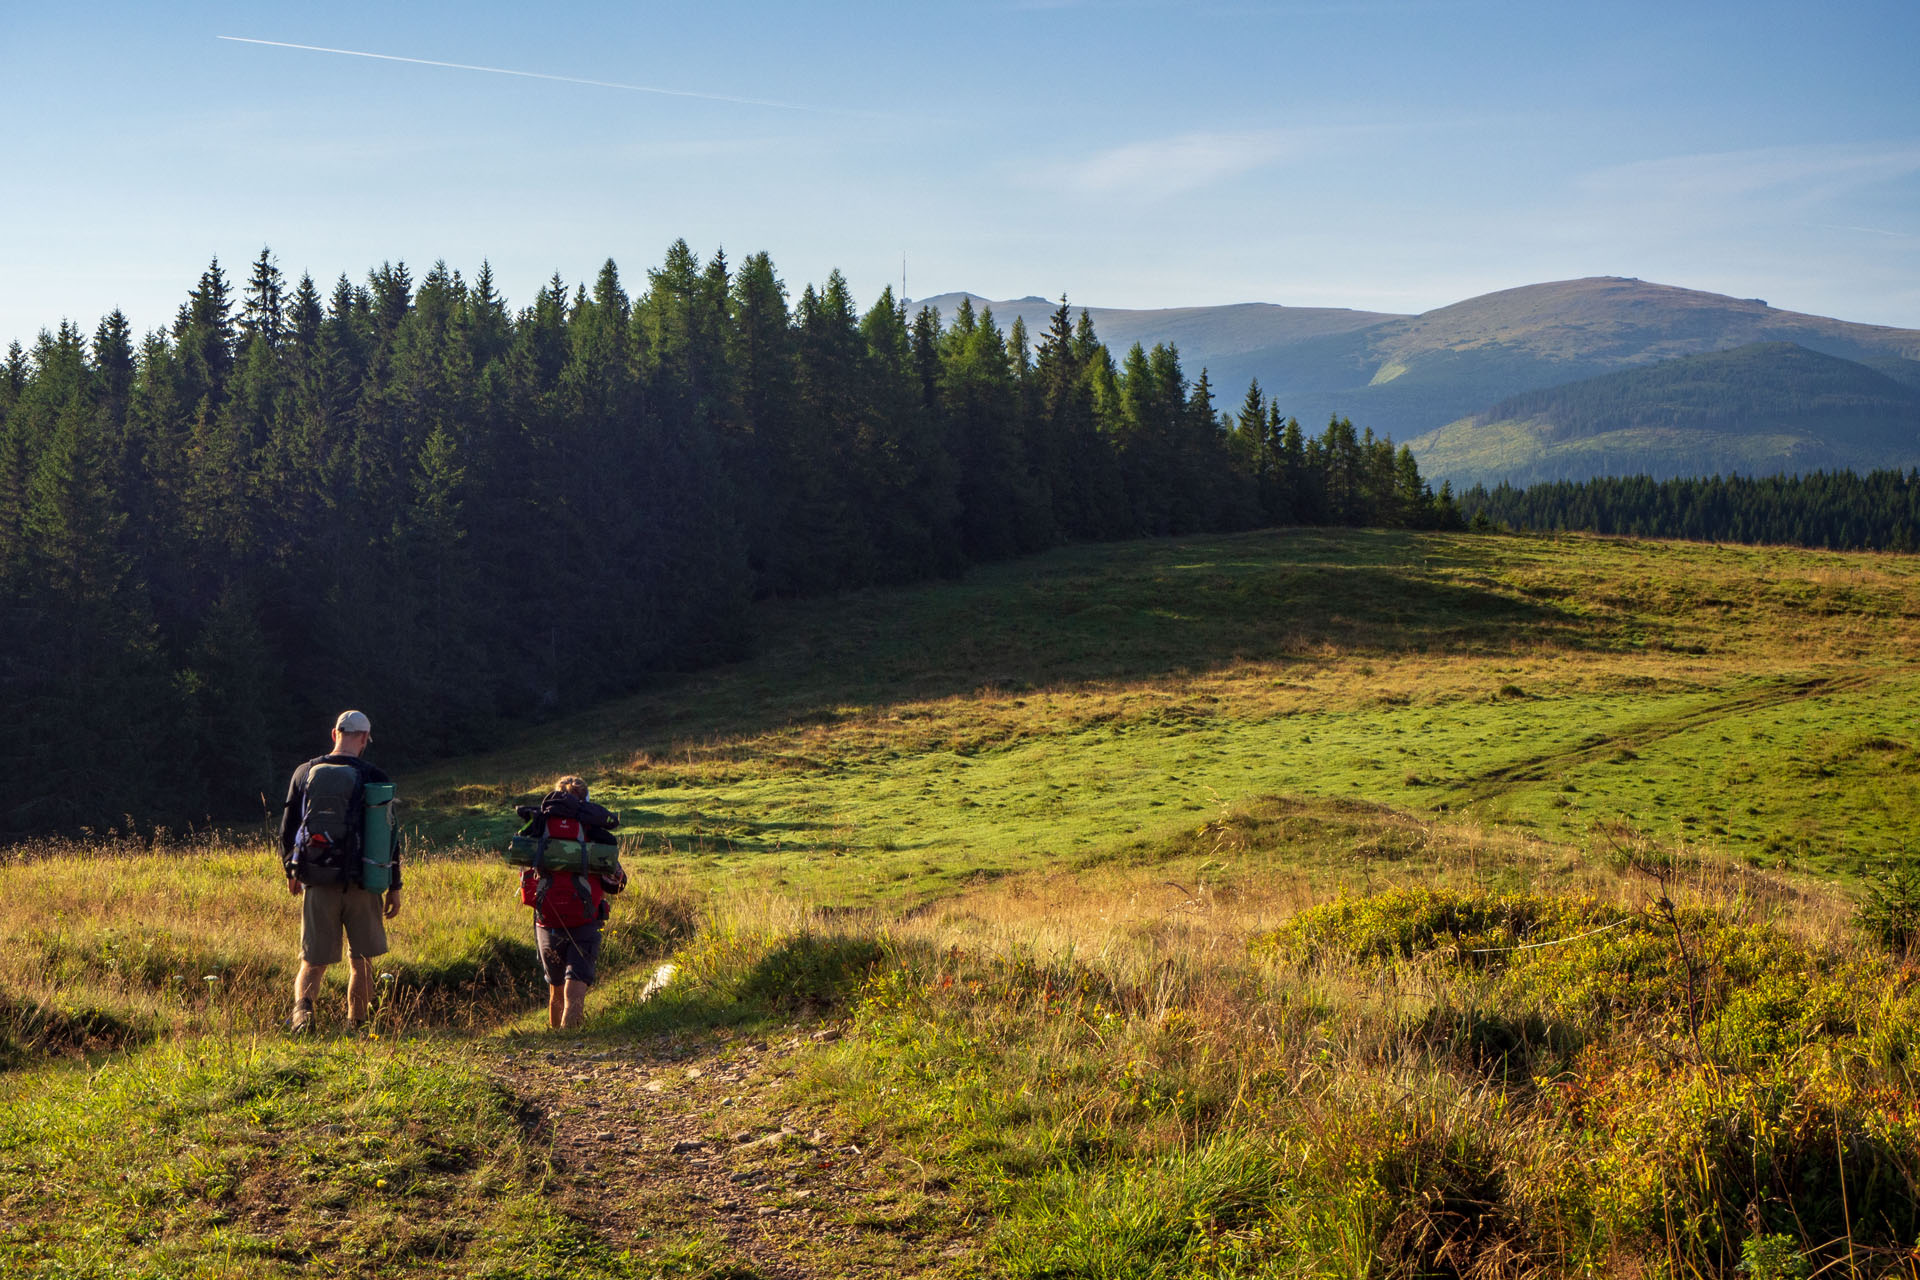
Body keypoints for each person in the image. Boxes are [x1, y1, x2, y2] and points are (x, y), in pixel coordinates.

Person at [279, 710, 400, 1033]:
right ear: (364, 739)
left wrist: (292, 869)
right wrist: (395, 885)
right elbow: (389, 837)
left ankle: (302, 1019)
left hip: (317, 880)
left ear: (335, 734)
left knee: (312, 961)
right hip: (363, 883)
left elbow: (288, 829)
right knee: (361, 961)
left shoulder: (304, 772)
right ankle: (356, 1026)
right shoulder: (374, 775)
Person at [517, 775, 625, 1029]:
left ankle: (556, 1052)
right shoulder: (595, 832)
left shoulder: (539, 828)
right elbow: (615, 883)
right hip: (585, 920)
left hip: (547, 922)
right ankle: (570, 1050)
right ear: (585, 801)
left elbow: (525, 874)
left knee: (555, 992)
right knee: (574, 996)